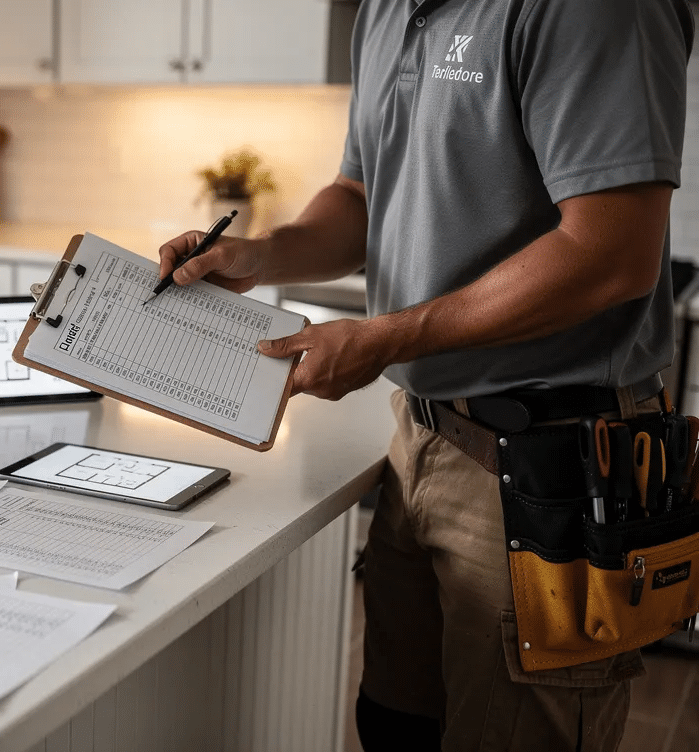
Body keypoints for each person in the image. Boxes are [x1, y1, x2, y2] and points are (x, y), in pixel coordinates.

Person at [159, 2, 693, 750]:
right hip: (422, 439)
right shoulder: (385, 9)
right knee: (394, 724)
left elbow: (611, 253)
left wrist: (386, 338)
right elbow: (359, 195)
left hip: (550, 464)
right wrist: (263, 254)